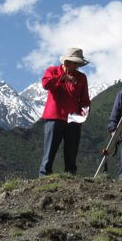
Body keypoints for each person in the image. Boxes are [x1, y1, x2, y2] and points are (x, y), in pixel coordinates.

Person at [39, 47, 91, 177]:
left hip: (73, 119)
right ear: (67, 62)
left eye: (77, 64)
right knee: (49, 152)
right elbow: (46, 84)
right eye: (74, 63)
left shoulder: (81, 77)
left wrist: (84, 112)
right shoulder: (52, 71)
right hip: (54, 118)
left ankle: (70, 177)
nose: (76, 66)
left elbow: (84, 99)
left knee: (71, 152)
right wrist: (62, 78)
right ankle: (44, 178)